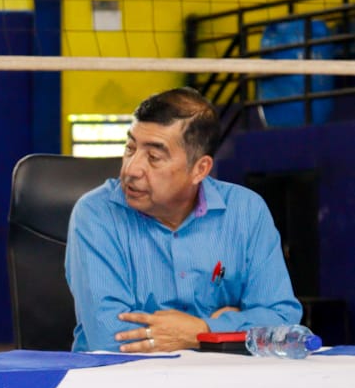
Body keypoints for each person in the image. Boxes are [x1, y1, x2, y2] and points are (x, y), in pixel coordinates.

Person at [65, 87, 302, 353]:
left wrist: (202, 330)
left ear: (199, 169)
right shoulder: (96, 214)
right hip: (124, 383)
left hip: (224, 382)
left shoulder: (246, 211)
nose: (131, 169)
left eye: (153, 157)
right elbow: (109, 338)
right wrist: (226, 329)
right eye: (130, 148)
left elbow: (283, 323)